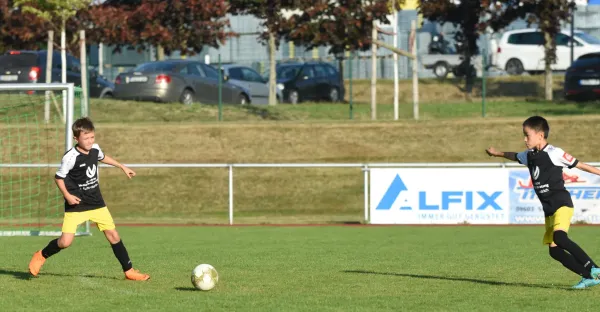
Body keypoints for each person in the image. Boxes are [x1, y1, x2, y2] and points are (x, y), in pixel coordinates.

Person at [28, 117, 150, 281]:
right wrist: (68, 196)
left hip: (96, 203)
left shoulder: (95, 149)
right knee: (65, 242)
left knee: (113, 235)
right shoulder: (70, 157)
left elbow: (103, 157)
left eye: (92, 137)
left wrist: (122, 167)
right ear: (76, 138)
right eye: (86, 138)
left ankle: (129, 271)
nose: (90, 141)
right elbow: (58, 178)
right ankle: (41, 255)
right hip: (76, 205)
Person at [486, 116, 600, 289]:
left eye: (527, 135)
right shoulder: (529, 155)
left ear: (540, 135)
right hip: (548, 209)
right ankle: (588, 276)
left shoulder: (555, 153)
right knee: (554, 250)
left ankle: (594, 268)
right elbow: (515, 156)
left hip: (562, 203)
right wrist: (497, 153)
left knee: (560, 237)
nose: (525, 139)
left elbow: (580, 165)